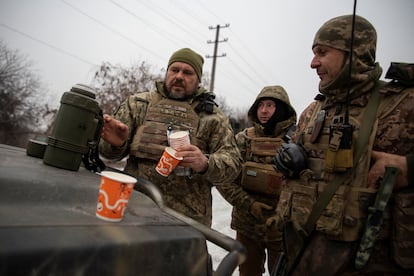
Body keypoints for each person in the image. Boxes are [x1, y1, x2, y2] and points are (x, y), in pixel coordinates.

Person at [269, 15, 414, 275]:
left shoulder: (404, 104)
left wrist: (409, 167)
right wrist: (291, 158)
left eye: (322, 52)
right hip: (302, 256)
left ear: (354, 52)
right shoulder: (314, 110)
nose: (313, 63)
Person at [99, 48, 242, 227]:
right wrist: (116, 144)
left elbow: (233, 166)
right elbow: (107, 154)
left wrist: (205, 163)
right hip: (134, 208)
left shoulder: (214, 118)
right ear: (167, 72)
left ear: (198, 80)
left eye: (188, 72)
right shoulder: (137, 105)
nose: (179, 76)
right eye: (174, 70)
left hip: (186, 220)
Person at [216, 85, 297, 276]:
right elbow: (224, 178)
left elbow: (305, 185)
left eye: (270, 105)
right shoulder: (243, 140)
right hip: (247, 226)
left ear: (283, 109)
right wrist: (250, 205)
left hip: (283, 229)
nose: (264, 111)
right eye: (260, 105)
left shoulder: (297, 141)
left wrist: (283, 214)